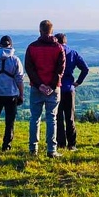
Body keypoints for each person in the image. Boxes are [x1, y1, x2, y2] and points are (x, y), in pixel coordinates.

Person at [24, 20, 66, 158]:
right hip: (53, 89)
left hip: (37, 88)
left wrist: (39, 84)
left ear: (40, 30)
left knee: (35, 118)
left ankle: (33, 148)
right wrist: (52, 86)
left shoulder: (32, 47)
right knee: (51, 118)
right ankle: (51, 149)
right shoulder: (58, 48)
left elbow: (29, 69)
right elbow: (60, 69)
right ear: (52, 31)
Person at [0, 36, 25, 151]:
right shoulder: (15, 60)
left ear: (0, 45)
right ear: (11, 45)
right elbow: (19, 79)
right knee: (9, 122)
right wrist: (21, 95)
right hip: (11, 95)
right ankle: (6, 145)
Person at [55, 33, 89, 151]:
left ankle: (60, 143)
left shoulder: (54, 52)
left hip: (56, 88)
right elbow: (85, 68)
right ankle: (72, 144)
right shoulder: (73, 53)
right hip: (69, 89)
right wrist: (78, 82)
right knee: (70, 118)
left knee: (57, 117)